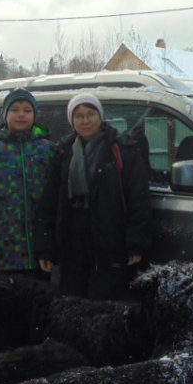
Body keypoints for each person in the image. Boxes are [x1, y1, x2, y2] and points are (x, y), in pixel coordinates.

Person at [34, 92, 151, 300]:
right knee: (73, 308)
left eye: (91, 114)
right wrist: (46, 248)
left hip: (110, 245)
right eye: (79, 116)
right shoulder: (63, 153)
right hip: (72, 246)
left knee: (106, 310)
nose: (85, 120)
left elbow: (138, 200)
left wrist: (136, 243)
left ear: (100, 116)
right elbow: (49, 204)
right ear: (72, 121)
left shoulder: (123, 151)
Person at [0, 88, 56, 277]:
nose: (21, 115)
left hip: (42, 254)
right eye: (15, 109)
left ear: (34, 115)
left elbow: (57, 204)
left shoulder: (49, 150)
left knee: (41, 305)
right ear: (5, 114)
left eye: (27, 110)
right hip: (4, 254)